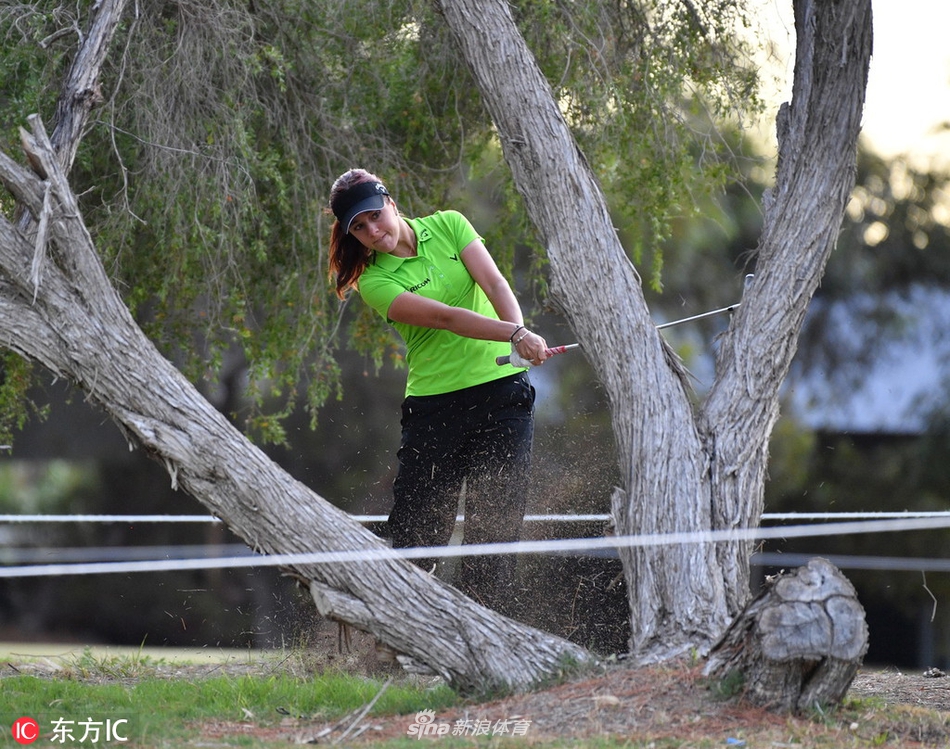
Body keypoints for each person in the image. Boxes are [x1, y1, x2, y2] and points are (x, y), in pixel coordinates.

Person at [327, 168, 548, 612]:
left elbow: (495, 283)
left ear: (391, 202)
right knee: (417, 535)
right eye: (358, 227)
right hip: (435, 410)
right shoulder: (373, 281)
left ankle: (486, 642)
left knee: (495, 529)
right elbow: (446, 317)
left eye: (373, 216)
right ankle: (404, 637)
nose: (372, 231)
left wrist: (520, 333)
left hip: (504, 396)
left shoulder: (449, 223)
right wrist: (513, 334)